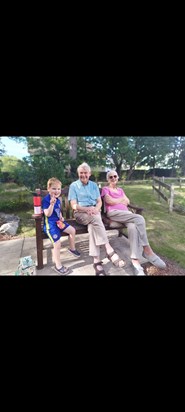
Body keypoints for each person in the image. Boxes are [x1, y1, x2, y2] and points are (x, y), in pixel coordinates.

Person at [101, 170, 166, 275]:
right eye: (110, 177)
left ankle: (135, 261)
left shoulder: (121, 190)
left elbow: (128, 202)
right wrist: (120, 200)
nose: (113, 178)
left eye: (115, 176)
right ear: (108, 179)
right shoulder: (105, 189)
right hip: (114, 213)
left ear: (117, 177)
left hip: (126, 214)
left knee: (132, 227)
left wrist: (120, 200)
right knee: (140, 219)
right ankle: (147, 250)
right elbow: (109, 201)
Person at [68, 162, 125, 276]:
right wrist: (87, 209)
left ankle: (96, 262)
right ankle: (108, 249)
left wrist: (96, 209)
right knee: (96, 219)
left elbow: (99, 202)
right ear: (78, 174)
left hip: (94, 214)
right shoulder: (74, 186)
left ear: (89, 174)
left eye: (85, 173)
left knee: (93, 227)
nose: (83, 175)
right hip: (81, 214)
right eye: (81, 173)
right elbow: (74, 205)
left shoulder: (94, 185)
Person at [42, 177, 80, 275]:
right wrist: (51, 204)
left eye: (58, 189)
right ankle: (58, 266)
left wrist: (61, 217)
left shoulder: (58, 200)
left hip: (59, 222)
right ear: (48, 189)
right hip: (50, 226)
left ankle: (72, 248)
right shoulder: (46, 200)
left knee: (72, 230)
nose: (56, 191)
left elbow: (58, 211)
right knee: (57, 244)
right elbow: (47, 214)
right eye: (54, 188)